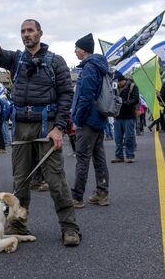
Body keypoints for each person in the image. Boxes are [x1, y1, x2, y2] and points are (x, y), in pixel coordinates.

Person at [0, 19, 81, 247]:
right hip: (21, 126)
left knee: (56, 180)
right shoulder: (15, 59)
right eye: (23, 32)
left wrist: (59, 127)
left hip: (47, 125)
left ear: (40, 33)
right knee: (20, 180)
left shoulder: (56, 61)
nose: (26, 35)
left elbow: (66, 95)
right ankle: (18, 225)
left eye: (30, 31)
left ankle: (69, 227)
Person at [70, 33, 110, 209]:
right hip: (99, 118)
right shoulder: (99, 66)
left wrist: (77, 118)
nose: (75, 51)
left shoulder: (89, 68)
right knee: (99, 157)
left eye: (77, 48)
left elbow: (85, 96)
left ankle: (77, 197)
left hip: (87, 120)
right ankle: (102, 194)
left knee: (83, 158)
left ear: (83, 50)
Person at [112, 71, 139, 163]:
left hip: (129, 116)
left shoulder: (132, 86)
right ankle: (119, 156)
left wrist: (124, 103)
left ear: (123, 80)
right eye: (117, 81)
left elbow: (136, 99)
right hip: (117, 116)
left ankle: (130, 156)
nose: (118, 83)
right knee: (117, 137)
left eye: (120, 81)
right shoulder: (114, 88)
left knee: (129, 137)